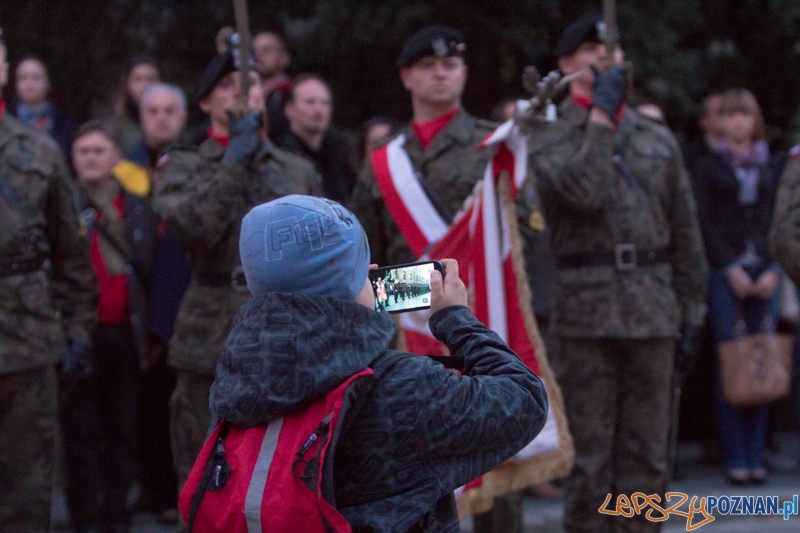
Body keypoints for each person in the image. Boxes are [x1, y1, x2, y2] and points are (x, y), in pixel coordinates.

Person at [204, 195, 548, 532]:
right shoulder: (402, 385)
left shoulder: (237, 376)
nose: (372, 270)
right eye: (359, 265)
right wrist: (455, 319)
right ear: (354, 280)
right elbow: (526, 399)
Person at [527, 13, 708, 532]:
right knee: (590, 461)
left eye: (611, 50)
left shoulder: (656, 135)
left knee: (649, 460)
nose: (603, 59)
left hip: (653, 311)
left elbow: (685, 229)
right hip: (586, 316)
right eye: (588, 51)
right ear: (564, 65)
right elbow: (584, 191)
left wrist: (692, 309)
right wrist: (601, 116)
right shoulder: (547, 134)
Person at [350, 25, 528, 532]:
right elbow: (364, 248)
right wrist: (410, 297)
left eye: (451, 64)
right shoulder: (385, 157)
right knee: (412, 456)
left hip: (480, 316)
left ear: (465, 73)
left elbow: (523, 233)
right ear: (406, 76)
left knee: (493, 451)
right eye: (427, 65)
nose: (441, 72)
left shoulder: (494, 145)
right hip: (404, 330)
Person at [151, 47, 320, 495]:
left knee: (284, 466)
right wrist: (234, 160)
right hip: (212, 326)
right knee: (202, 465)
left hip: (286, 328)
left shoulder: (295, 169)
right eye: (229, 87)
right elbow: (198, 228)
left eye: (252, 85)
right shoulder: (181, 165)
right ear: (206, 102)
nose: (244, 95)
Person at [0, 36, 97, 532]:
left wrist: (78, 331)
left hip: (28, 344)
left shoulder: (37, 149)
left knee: (26, 496)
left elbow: (71, 257)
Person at [62, 121, 158, 533]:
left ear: (116, 157)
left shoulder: (137, 207)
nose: (91, 158)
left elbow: (154, 270)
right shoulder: (60, 205)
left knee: (122, 430)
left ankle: (118, 516)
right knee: (80, 434)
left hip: (125, 334)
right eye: (83, 151)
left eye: (99, 150)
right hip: (78, 335)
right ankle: (84, 516)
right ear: (72, 159)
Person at [692, 88, 781, 485]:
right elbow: (703, 223)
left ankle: (757, 452)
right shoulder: (708, 168)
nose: (739, 122)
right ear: (721, 122)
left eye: (745, 114)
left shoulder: (771, 166)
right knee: (731, 360)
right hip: (727, 275)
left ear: (755, 119)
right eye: (731, 115)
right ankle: (735, 455)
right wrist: (730, 268)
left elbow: (781, 218)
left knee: (765, 358)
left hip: (766, 272)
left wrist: (774, 267)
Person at [275, 74, 357, 205]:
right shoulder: (277, 157)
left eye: (325, 103)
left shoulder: (340, 156)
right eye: (310, 102)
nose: (319, 110)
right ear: (289, 109)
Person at [10, 55, 76, 161]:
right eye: (23, 78)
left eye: (36, 77)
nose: (29, 83)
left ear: (48, 82)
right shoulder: (5, 119)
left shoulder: (64, 124)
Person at [126, 83, 188, 168]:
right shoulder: (127, 166)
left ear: (184, 117)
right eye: (153, 111)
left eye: (169, 111)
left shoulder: (200, 162)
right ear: (141, 118)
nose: (161, 117)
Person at [111, 57, 160, 154]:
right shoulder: (118, 122)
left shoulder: (170, 117)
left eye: (150, 79)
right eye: (138, 79)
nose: (144, 85)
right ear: (128, 84)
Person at [252, 31, 293, 141]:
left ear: (284, 58)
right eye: (254, 51)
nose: (257, 56)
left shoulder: (294, 94)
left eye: (266, 50)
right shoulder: (242, 94)